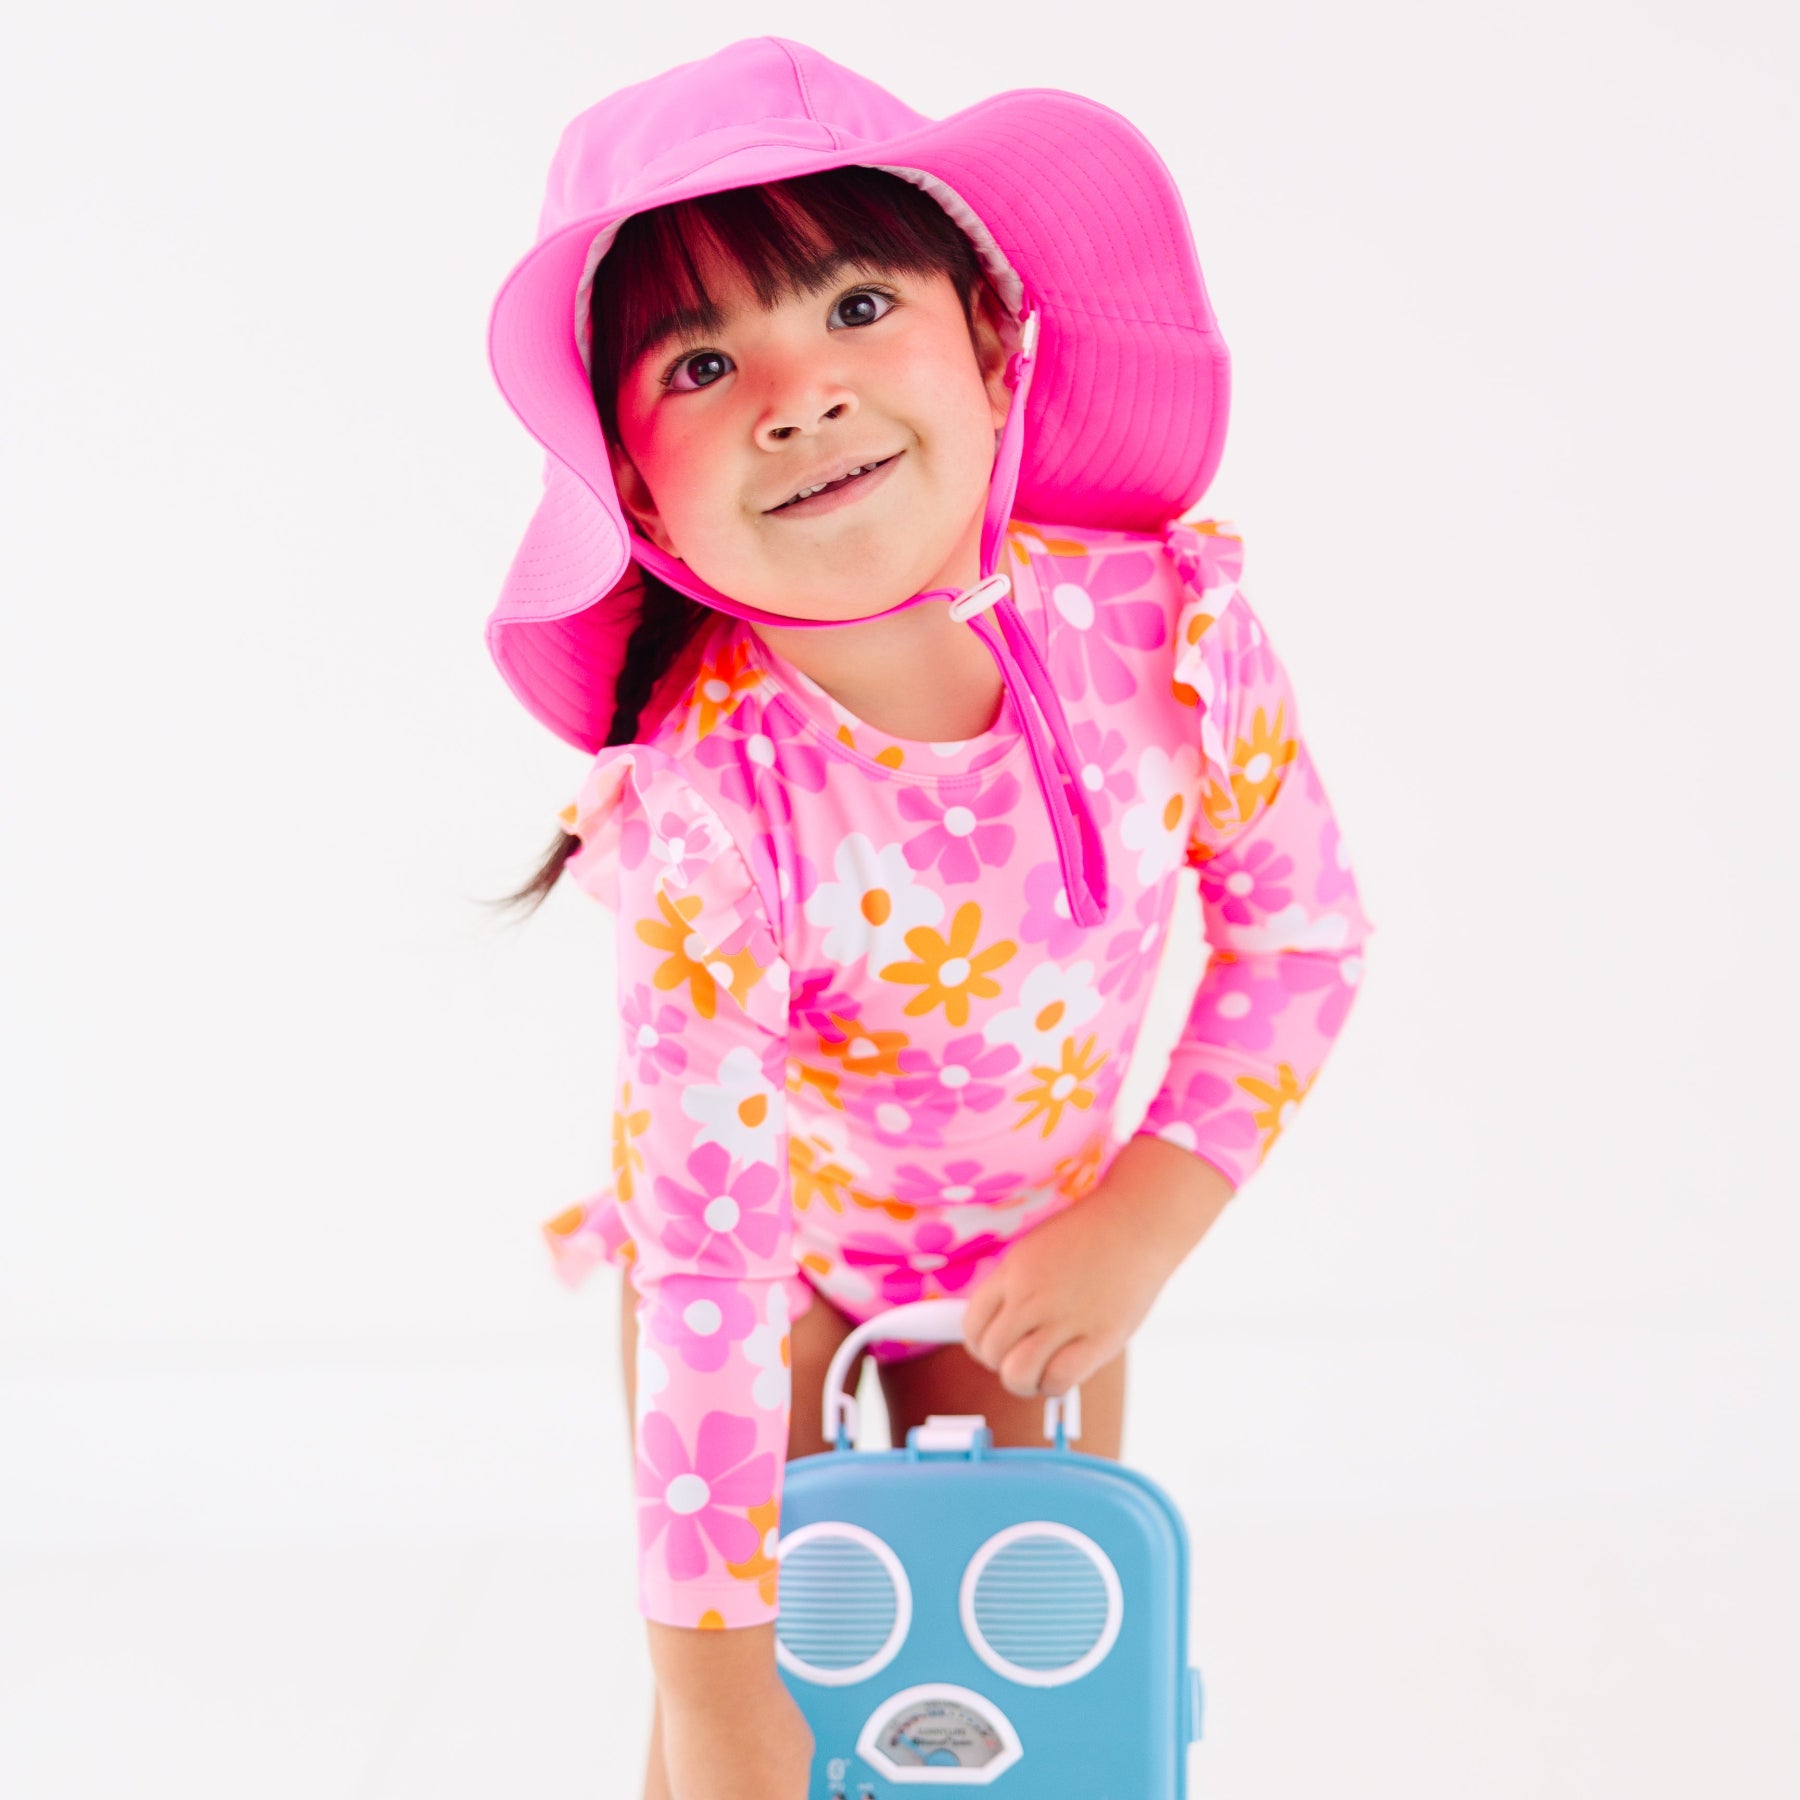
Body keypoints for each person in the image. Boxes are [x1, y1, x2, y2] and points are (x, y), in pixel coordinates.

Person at [484, 37, 1373, 1800]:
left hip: (1045, 1250)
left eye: (858, 305)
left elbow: (1304, 941)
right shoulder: (709, 810)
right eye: (703, 363)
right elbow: (711, 1269)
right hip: (770, 1273)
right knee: (744, 1731)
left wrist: (1143, 1218)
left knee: (1045, 1708)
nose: (799, 395)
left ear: (992, 338)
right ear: (635, 491)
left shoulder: (1170, 634)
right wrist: (716, 1702)